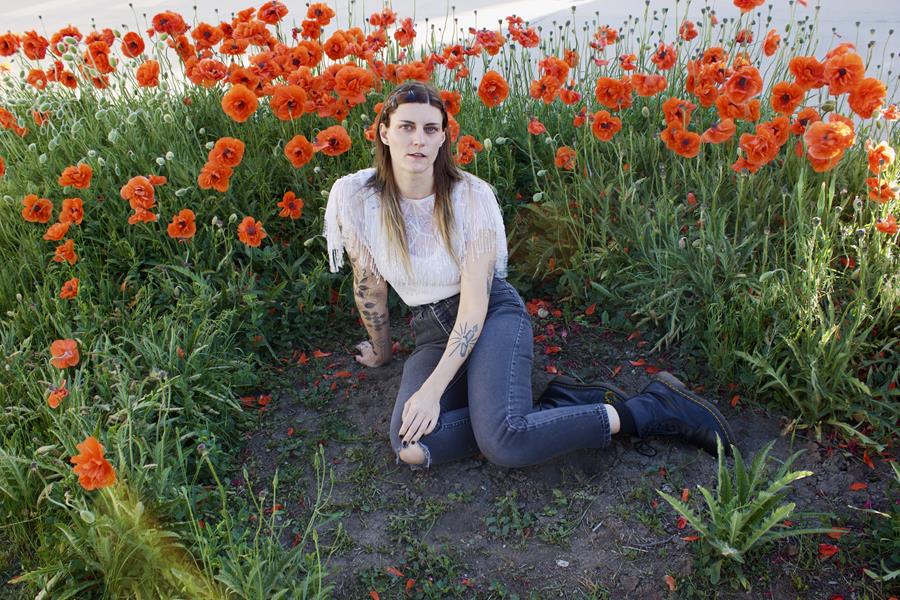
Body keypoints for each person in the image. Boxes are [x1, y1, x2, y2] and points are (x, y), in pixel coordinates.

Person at [323, 81, 735, 469]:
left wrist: (432, 391)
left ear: (443, 137)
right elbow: (369, 283)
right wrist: (381, 351)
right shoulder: (357, 197)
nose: (419, 139)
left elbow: (471, 313)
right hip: (432, 333)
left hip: (489, 318)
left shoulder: (470, 197)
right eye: (407, 127)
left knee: (505, 441)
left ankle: (650, 408)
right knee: (411, 447)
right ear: (383, 133)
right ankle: (546, 403)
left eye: (431, 129)